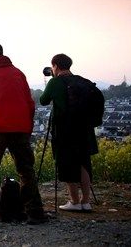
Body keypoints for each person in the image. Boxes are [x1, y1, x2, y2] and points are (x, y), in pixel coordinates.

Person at [0, 42, 47, 228]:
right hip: (19, 127)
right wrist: (26, 127)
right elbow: (30, 103)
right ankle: (35, 212)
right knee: (26, 169)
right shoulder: (17, 73)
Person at [39, 53, 98, 212]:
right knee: (83, 163)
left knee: (67, 163)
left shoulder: (55, 82)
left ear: (56, 66)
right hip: (85, 129)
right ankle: (86, 202)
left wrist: (50, 82)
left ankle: (74, 201)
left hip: (65, 130)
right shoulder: (82, 81)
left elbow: (43, 101)